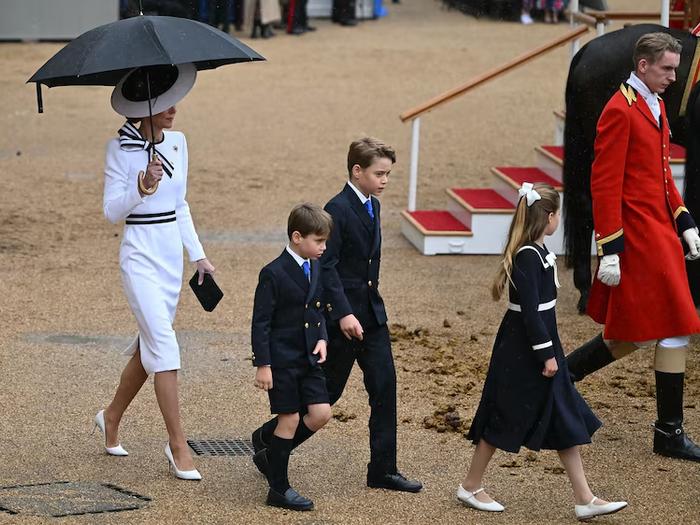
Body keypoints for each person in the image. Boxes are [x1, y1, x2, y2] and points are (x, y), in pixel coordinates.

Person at [251, 138, 422, 492]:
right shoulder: (337, 209)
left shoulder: (373, 205)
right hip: (340, 322)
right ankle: (269, 442)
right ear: (357, 171)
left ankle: (382, 469)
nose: (385, 180)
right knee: (327, 395)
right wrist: (342, 314)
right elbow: (325, 267)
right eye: (379, 173)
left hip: (372, 316)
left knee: (385, 387)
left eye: (388, 174)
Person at [566, 32, 700, 463]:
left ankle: (668, 430)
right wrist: (608, 249)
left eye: (675, 70)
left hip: (660, 231)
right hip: (637, 237)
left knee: (667, 328)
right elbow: (604, 185)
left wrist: (685, 220)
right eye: (667, 70)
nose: (673, 78)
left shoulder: (657, 104)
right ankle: (560, 378)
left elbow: (662, 176)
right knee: (641, 332)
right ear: (643, 66)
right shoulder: (618, 111)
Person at [460, 183, 627, 521]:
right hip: (523, 351)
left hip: (537, 345)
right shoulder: (527, 256)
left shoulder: (536, 250)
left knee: (563, 415)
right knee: (503, 415)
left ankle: (585, 498)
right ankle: (470, 485)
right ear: (549, 217)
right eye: (557, 215)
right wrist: (547, 355)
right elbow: (532, 314)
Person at [96, 63, 215, 481]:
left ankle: (110, 417)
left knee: (150, 349)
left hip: (170, 257)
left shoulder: (179, 142)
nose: (173, 109)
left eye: (173, 99)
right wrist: (141, 186)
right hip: (139, 255)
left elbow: (180, 204)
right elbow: (112, 211)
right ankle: (177, 444)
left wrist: (198, 255)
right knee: (164, 345)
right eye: (163, 102)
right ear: (141, 107)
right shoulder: (119, 150)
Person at [250, 203, 333, 511]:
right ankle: (279, 489)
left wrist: (322, 338)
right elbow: (261, 322)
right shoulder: (273, 273)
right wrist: (263, 364)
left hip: (309, 359)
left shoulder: (316, 266)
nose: (323, 247)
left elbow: (317, 309)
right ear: (297, 237)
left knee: (321, 413)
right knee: (290, 418)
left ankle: (270, 455)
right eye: (318, 241)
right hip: (282, 360)